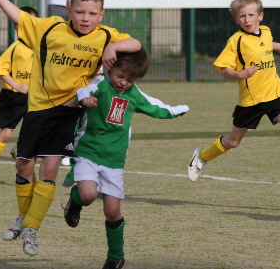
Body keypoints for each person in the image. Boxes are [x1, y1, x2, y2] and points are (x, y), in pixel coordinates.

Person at [0, 0, 141, 256]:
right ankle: (23, 217)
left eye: (92, 13)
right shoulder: (51, 28)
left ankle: (32, 228)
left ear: (101, 15)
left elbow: (136, 44)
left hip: (68, 112)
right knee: (23, 166)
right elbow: (19, 17)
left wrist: (114, 47)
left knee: (50, 170)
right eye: (80, 12)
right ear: (69, 10)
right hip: (38, 109)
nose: (86, 18)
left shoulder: (105, 36)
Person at [62, 48, 188, 269]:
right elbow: (83, 91)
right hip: (88, 152)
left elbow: (154, 106)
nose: (123, 82)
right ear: (110, 68)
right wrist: (86, 99)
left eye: (130, 80)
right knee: (88, 195)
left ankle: (116, 257)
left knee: (112, 211)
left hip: (114, 160)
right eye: (121, 76)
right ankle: (75, 200)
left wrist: (175, 111)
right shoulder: (100, 84)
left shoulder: (133, 93)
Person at [187, 0, 280, 195]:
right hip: (251, 101)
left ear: (260, 16)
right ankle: (201, 156)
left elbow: (264, 43)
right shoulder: (236, 40)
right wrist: (239, 74)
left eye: (251, 15)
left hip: (275, 94)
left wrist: (279, 47)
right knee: (233, 142)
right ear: (236, 20)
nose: (247, 19)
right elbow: (224, 69)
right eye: (242, 16)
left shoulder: (266, 31)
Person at [0, 6, 39, 186]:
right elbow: (1, 70)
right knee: (5, 134)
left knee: (36, 130)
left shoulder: (42, 47)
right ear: (16, 27)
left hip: (33, 97)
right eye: (22, 24)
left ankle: (19, 150)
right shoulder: (16, 48)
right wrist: (16, 85)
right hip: (13, 97)